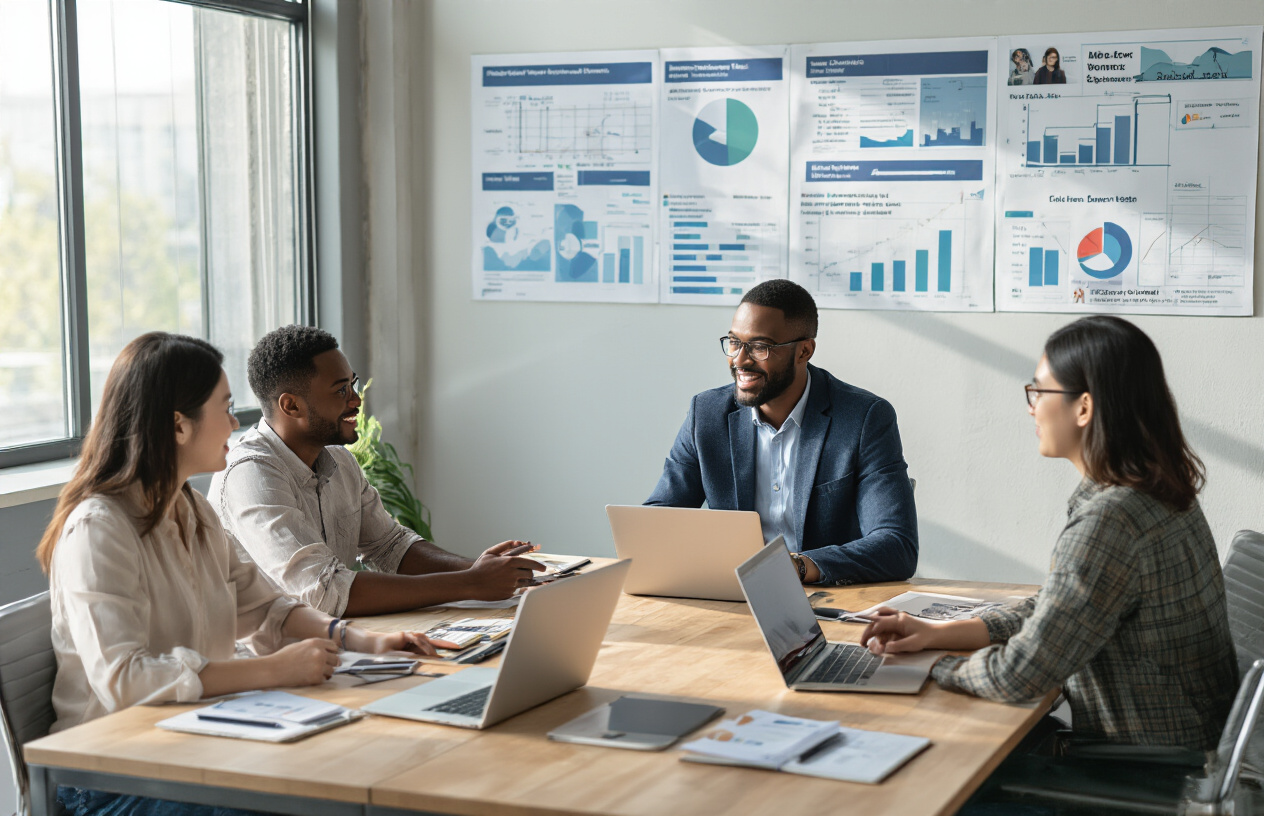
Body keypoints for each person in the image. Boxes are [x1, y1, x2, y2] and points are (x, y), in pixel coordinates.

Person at [37, 332, 456, 816]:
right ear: (179, 425)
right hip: (113, 774)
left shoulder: (190, 509)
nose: (237, 423)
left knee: (371, 761)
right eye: (226, 407)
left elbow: (267, 606)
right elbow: (125, 680)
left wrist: (360, 641)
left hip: (196, 740)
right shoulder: (99, 528)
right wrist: (273, 669)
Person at [861, 316, 1238, 750]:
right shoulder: (1159, 492)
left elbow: (1018, 676)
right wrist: (939, 633)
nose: (1031, 406)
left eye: (1040, 391)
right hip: (1186, 747)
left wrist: (930, 665)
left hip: (1144, 773)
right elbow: (1055, 610)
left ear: (1084, 407)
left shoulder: (1112, 521)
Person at [209, 325, 543, 617]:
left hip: (337, 645)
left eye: (352, 385)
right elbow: (323, 591)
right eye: (341, 390)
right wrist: (470, 583)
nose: (355, 400)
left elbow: (390, 547)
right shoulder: (250, 474)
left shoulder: (339, 461)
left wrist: (480, 569)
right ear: (291, 405)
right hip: (271, 665)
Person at [645, 279, 917, 585]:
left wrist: (798, 567)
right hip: (734, 595)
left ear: (804, 351)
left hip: (827, 597)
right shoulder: (707, 415)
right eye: (734, 342)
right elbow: (659, 522)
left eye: (760, 347)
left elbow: (897, 545)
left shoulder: (863, 419)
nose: (740, 360)